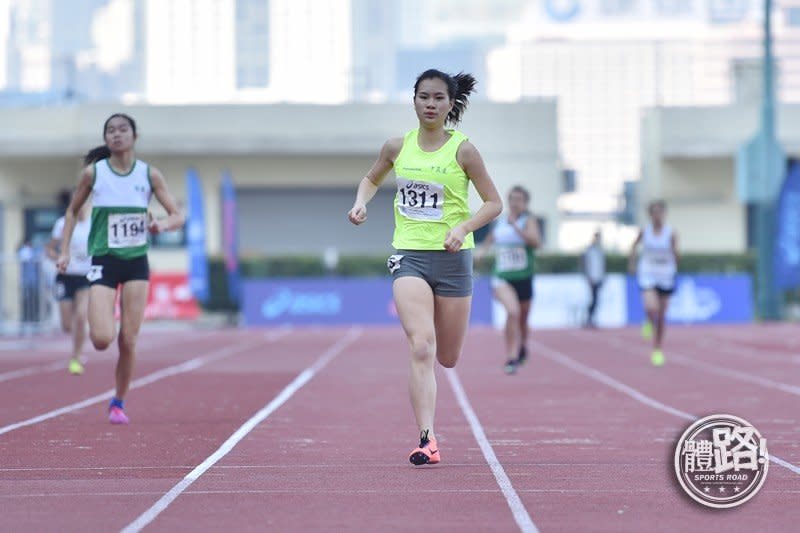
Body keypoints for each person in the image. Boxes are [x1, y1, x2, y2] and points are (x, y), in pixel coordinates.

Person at [348, 69, 502, 465]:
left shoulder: (464, 151)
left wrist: (464, 226)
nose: (430, 104)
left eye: (438, 98)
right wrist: (361, 202)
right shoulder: (398, 147)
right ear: (413, 101)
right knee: (421, 346)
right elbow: (371, 178)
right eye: (423, 97)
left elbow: (493, 202)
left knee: (446, 357)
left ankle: (429, 430)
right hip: (409, 255)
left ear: (451, 104)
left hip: (453, 259)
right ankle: (427, 439)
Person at [56, 114, 184, 424]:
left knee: (128, 339)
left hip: (136, 262)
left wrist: (161, 225)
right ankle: (104, 316)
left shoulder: (149, 175)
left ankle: (118, 401)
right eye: (110, 131)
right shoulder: (94, 173)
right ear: (106, 139)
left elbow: (176, 215)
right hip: (104, 260)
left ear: (134, 136)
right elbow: (72, 212)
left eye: (122, 130)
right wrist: (64, 251)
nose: (116, 135)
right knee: (101, 339)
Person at [476, 186, 540, 374]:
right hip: (502, 277)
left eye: (519, 199)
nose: (515, 202)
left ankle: (523, 345)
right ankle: (511, 356)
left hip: (524, 277)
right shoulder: (501, 222)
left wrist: (516, 228)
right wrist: (481, 252)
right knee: (512, 312)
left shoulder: (529, 221)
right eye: (512, 199)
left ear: (525, 202)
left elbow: (536, 243)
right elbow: (490, 239)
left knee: (523, 319)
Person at [45, 179, 96, 374]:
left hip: (85, 277)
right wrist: (58, 257)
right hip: (65, 277)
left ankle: (76, 357)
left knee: (82, 317)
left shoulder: (93, 224)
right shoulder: (62, 223)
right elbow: (49, 249)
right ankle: (76, 338)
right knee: (67, 325)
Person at [628, 200, 679, 366]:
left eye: (661, 212)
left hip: (665, 276)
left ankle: (657, 348)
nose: (658, 216)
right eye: (655, 213)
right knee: (651, 307)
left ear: (665, 214)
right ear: (650, 215)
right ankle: (649, 321)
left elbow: (676, 254)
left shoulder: (671, 233)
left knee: (662, 316)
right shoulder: (645, 231)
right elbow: (633, 247)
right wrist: (632, 263)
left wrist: (675, 259)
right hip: (648, 274)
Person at [581, 229, 605, 329]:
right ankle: (588, 319)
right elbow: (585, 264)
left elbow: (602, 265)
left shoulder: (600, 251)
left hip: (599, 277)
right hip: (592, 278)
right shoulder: (589, 250)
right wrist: (587, 277)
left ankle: (591, 318)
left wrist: (603, 276)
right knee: (593, 299)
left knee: (596, 299)